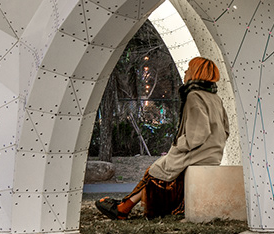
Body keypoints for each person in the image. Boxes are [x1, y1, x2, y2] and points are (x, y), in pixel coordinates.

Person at [96, 55, 228, 220]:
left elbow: (197, 134)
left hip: (195, 154)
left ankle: (124, 208)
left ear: (196, 72)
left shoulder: (194, 96)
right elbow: (226, 130)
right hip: (212, 153)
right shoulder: (215, 98)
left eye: (189, 68)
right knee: (156, 170)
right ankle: (125, 206)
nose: (186, 71)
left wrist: (178, 146)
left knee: (153, 172)